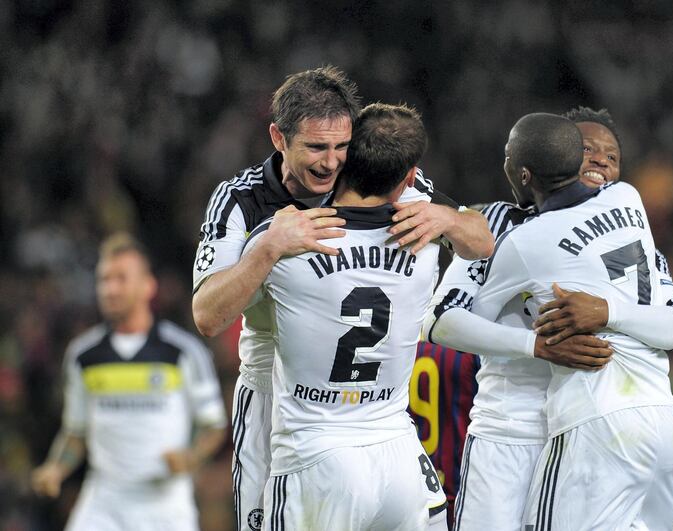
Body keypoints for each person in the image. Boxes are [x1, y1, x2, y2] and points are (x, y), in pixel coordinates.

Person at [191, 66, 492, 531]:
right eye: (315, 147)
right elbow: (208, 316)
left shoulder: (372, 171)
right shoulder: (241, 201)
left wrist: (446, 219)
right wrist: (269, 248)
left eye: (340, 146)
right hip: (276, 392)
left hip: (367, 407)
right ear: (278, 137)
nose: (331, 163)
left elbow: (481, 239)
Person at [456, 113, 673, 530]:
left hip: (592, 418)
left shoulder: (524, 239)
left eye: (612, 156)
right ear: (567, 157)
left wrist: (607, 311)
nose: (602, 161)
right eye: (588, 150)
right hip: (650, 419)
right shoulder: (629, 201)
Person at [243, 103, 447, 530]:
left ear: (346, 158)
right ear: (409, 179)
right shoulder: (427, 241)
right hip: (398, 459)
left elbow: (213, 315)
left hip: (316, 458)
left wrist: (266, 248)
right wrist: (446, 217)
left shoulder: (286, 241)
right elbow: (481, 239)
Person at [31, 233, 227, 531]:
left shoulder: (184, 352)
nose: (110, 289)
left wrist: (191, 457)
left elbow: (213, 425)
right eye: (104, 280)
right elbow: (76, 432)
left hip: (165, 505)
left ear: (148, 286)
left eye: (121, 278)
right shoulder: (83, 356)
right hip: (104, 501)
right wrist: (56, 469)